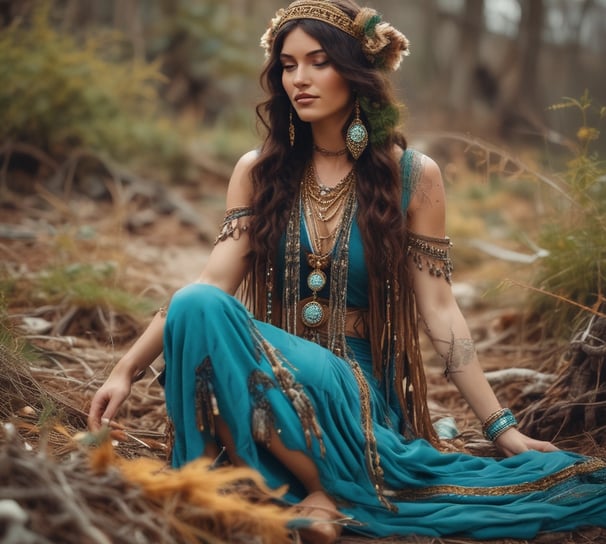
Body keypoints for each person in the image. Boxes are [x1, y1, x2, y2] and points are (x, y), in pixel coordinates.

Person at [88, 1, 606, 542]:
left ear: (356, 72)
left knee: (203, 316)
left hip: (352, 388)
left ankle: (328, 490)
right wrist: (125, 369)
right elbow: (209, 287)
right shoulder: (258, 171)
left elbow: (440, 309)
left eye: (318, 62)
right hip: (266, 375)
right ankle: (316, 489)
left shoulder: (413, 176)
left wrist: (502, 428)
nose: (299, 79)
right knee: (200, 312)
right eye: (288, 65)